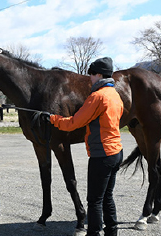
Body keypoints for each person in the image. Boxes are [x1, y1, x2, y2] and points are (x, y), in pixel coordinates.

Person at [49, 57, 123, 236]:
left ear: (99, 75)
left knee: (94, 200)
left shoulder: (97, 96)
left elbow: (74, 123)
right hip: (116, 152)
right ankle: (112, 231)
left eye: (91, 74)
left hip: (102, 155)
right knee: (107, 196)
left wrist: (52, 119)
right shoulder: (115, 94)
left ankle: (94, 233)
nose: (89, 78)